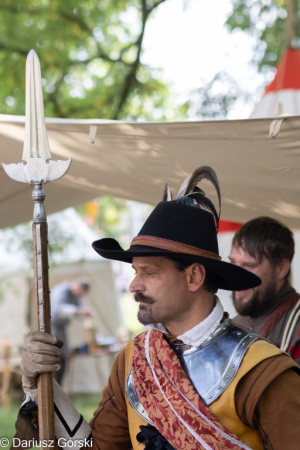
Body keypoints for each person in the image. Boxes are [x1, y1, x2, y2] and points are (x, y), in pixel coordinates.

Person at [14, 168, 300, 450]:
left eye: (149, 272)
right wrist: (40, 388)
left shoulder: (263, 370)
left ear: (194, 277)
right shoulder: (133, 359)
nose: (134, 285)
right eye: (136, 271)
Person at [229, 217, 300, 363]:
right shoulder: (231, 326)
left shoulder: (296, 325)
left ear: (281, 269)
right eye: (233, 263)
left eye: (249, 265)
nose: (236, 275)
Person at [51, 279, 91, 383]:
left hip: (62, 329)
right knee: (54, 358)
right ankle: (53, 388)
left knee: (63, 358)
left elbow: (80, 309)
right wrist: (78, 311)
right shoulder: (61, 291)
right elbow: (58, 310)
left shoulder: (75, 296)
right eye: (80, 292)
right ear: (77, 286)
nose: (79, 295)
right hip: (51, 328)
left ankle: (58, 389)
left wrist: (85, 314)